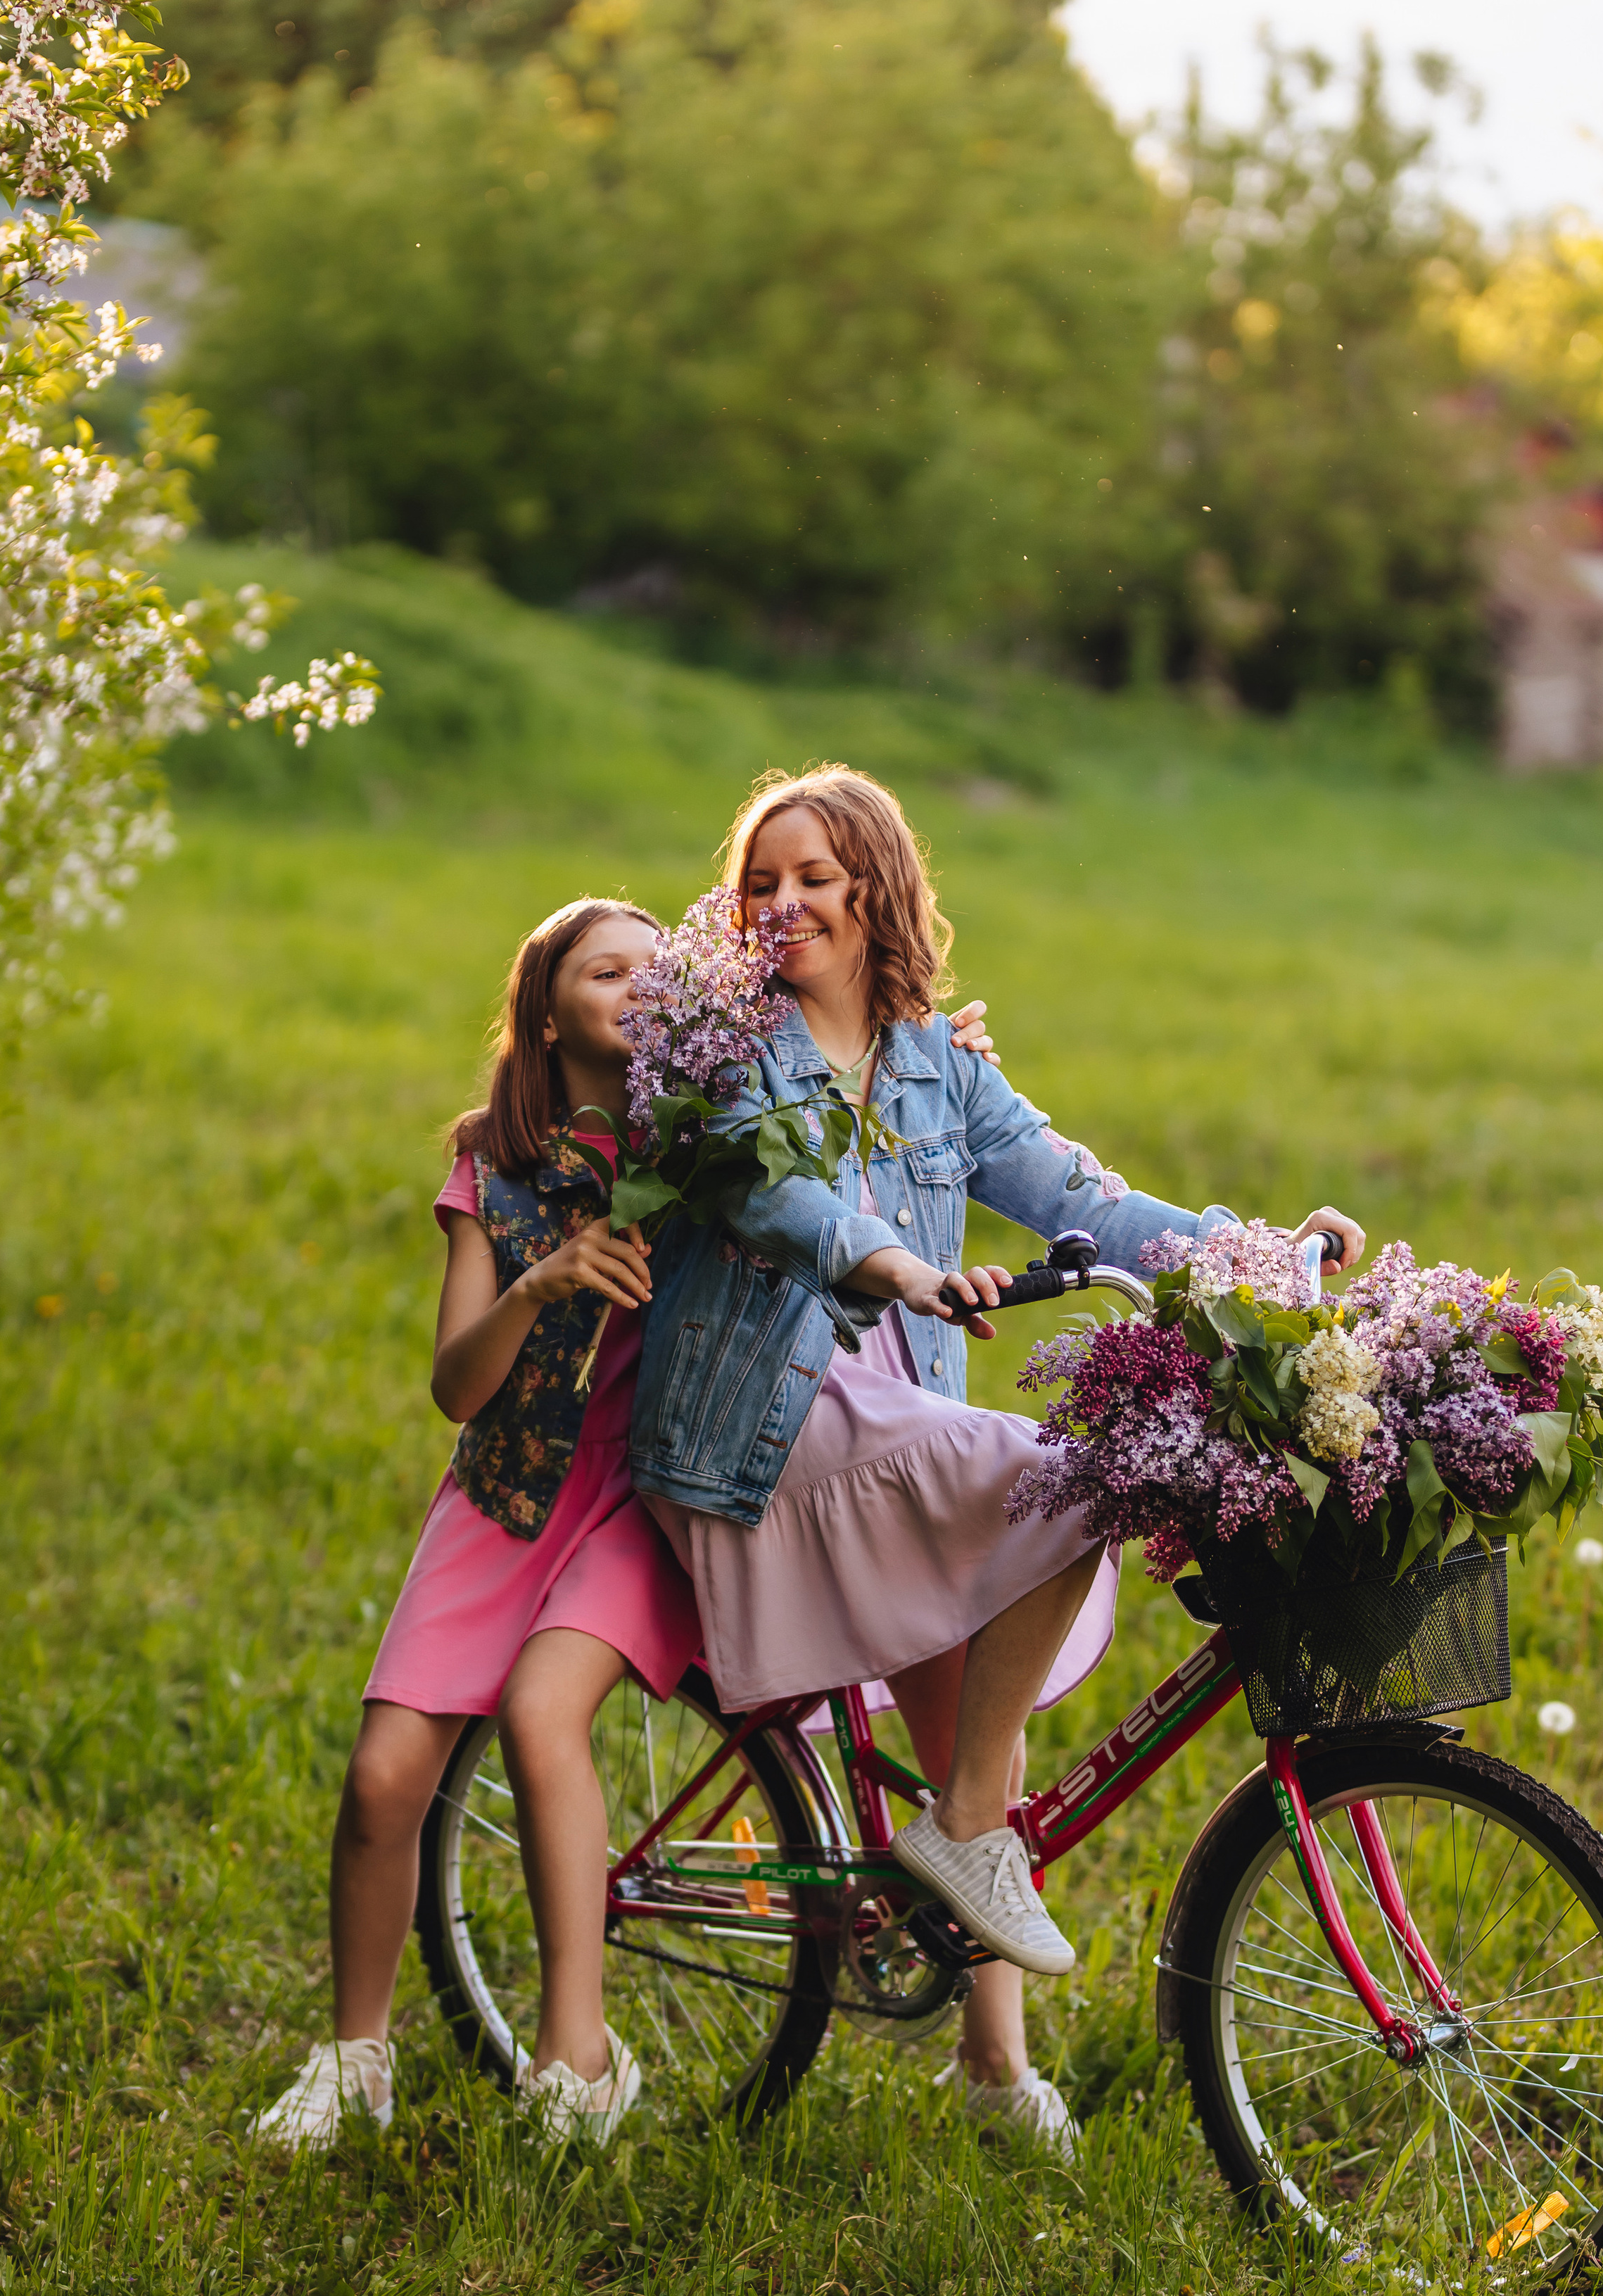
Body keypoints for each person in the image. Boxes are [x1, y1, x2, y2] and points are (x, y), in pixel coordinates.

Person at [631, 767, 1365, 2152]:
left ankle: (987, 2063)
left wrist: (1258, 1252)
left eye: (812, 878)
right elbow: (772, 1199)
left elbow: (1082, 1200)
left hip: (891, 1419)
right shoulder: (724, 1050)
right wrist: (896, 1261)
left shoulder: (936, 1067)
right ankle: (965, 1830)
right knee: (1066, 1478)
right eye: (760, 882)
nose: (781, 903)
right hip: (764, 1426)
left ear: (875, 893)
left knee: (976, 1698)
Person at [253, 893, 999, 2152]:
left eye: (661, 974)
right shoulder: (495, 1162)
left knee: (544, 1714)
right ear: (546, 1004)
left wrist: (935, 1065)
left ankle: (576, 2060)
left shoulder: (710, 1126)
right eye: (607, 970)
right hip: (508, 1486)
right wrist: (539, 1278)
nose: (639, 988)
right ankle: (355, 2058)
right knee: (385, 1778)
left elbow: (837, 1124)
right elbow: (456, 1386)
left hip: (644, 1491)